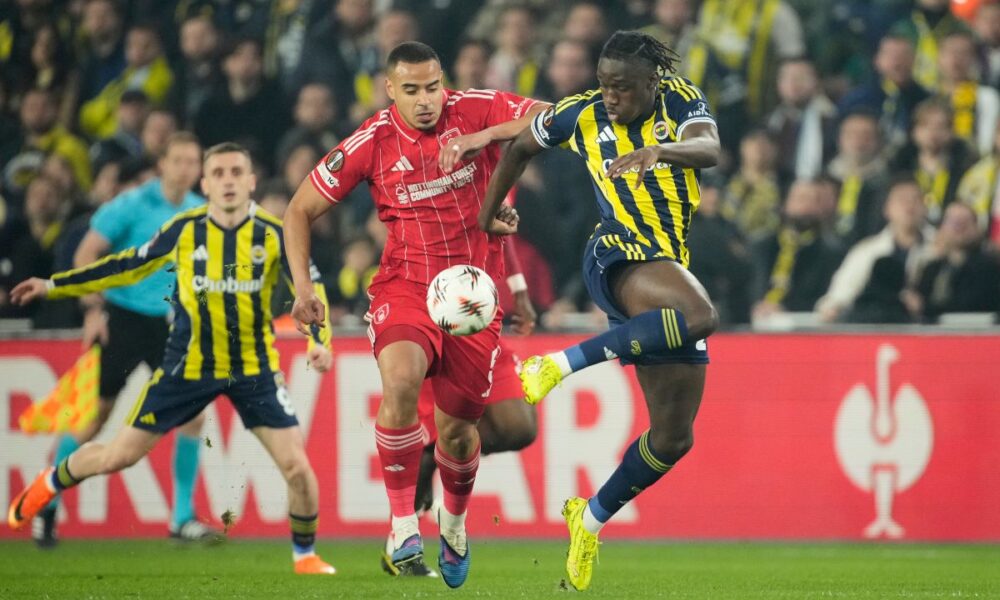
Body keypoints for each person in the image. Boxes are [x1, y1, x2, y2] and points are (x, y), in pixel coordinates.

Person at [283, 42, 547, 588]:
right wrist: (303, 285)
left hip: (474, 299)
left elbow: (549, 116)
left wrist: (481, 137)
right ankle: (404, 524)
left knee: (457, 435)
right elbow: (299, 210)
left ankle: (452, 523)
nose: (426, 100)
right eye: (411, 90)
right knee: (400, 381)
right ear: (390, 89)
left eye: (433, 87)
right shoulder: (373, 140)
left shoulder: (474, 108)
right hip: (405, 287)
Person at [7, 141, 338, 576]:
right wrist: (54, 285)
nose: (228, 181)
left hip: (253, 368)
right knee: (117, 456)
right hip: (188, 367)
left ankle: (305, 556)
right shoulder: (185, 230)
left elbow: (310, 291)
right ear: (205, 184)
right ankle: (49, 483)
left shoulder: (275, 233)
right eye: (218, 173)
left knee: (298, 467)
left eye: (237, 172)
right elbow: (124, 265)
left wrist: (319, 340)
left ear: (252, 181)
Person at [478, 31, 721, 591]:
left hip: (665, 266)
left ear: (651, 84)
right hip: (614, 254)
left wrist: (663, 150)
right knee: (701, 314)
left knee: (673, 438)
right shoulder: (581, 114)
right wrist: (488, 214)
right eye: (605, 84)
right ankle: (555, 367)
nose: (611, 96)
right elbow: (518, 148)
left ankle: (587, 521)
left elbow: (709, 149)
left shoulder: (681, 100)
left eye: (623, 87)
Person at [36, 132, 210, 548]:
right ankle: (46, 500)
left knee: (193, 414)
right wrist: (94, 310)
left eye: (193, 162)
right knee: (96, 416)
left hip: (167, 324)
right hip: (122, 318)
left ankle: (181, 518)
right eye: (180, 160)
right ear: (162, 164)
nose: (187, 169)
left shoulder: (196, 211)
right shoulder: (130, 205)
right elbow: (84, 255)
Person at [379, 237, 540, 578]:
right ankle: (402, 533)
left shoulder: (495, 182)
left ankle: (440, 467)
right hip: (432, 311)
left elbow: (499, 226)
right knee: (430, 437)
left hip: (478, 312)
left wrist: (518, 288)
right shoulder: (430, 186)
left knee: (519, 426)